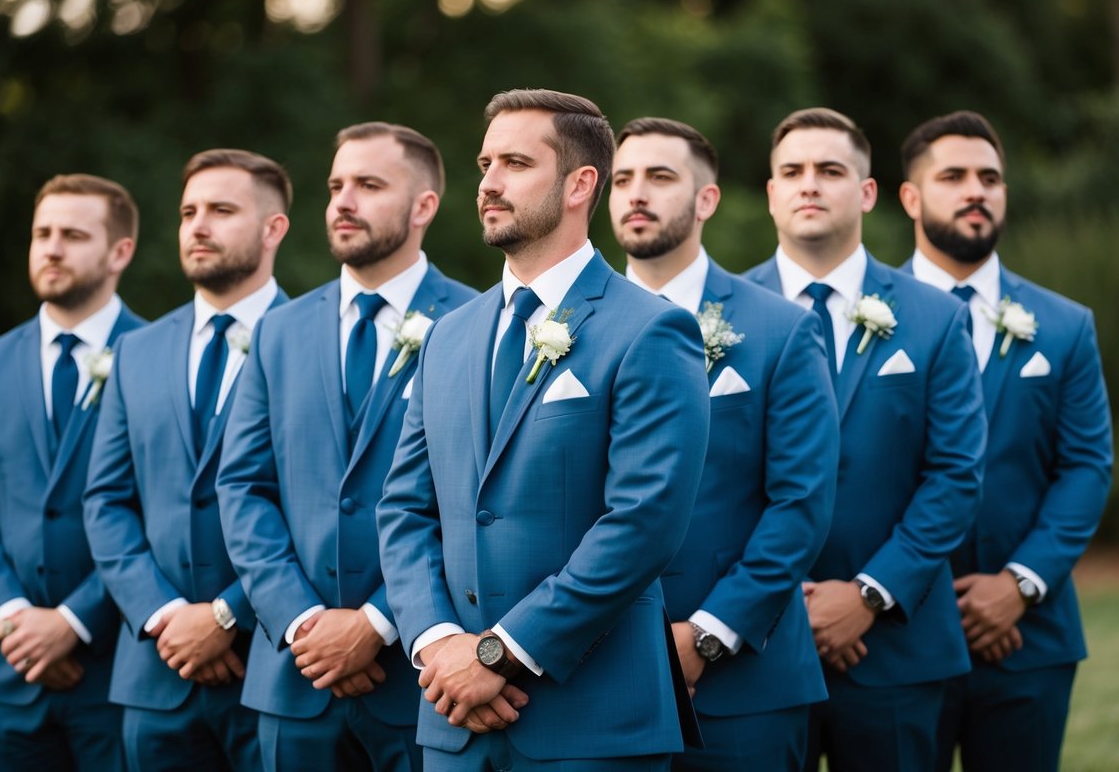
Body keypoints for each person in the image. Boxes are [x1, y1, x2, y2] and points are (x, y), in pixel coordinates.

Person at [376, 89, 710, 771]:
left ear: (580, 183)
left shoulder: (650, 329)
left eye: (516, 164)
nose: (490, 184)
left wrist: (503, 652)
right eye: (485, 163)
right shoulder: (446, 336)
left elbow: (643, 522)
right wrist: (438, 642)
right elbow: (405, 508)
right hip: (454, 725)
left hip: (590, 723)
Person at [216, 122, 477, 772]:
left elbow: (476, 498)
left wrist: (376, 624)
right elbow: (243, 488)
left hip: (422, 680)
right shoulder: (278, 332)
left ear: (423, 206)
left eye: (368, 184)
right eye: (336, 185)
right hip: (293, 679)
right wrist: (302, 621)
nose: (343, 201)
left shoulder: (474, 324)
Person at [744, 107, 986, 771]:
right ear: (770, 194)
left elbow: (955, 474)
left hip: (896, 649)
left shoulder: (935, 318)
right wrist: (783, 598)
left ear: (867, 191)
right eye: (791, 172)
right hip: (757, 643)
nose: (808, 185)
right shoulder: (723, 317)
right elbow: (712, 480)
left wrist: (868, 595)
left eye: (829, 170)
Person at [609, 116, 838, 771]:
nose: (636, 194)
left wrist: (707, 634)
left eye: (659, 177)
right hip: (591, 678)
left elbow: (801, 503)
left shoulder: (781, 329)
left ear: (705, 199)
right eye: (622, 179)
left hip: (743, 685)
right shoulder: (566, 327)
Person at [896, 110, 1113, 772]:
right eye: (953, 176)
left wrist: (1019, 585)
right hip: (898, 634)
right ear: (910, 196)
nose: (975, 191)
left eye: (989, 178)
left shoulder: (1064, 325)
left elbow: (1084, 466)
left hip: (1030, 638)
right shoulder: (861, 318)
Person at [82, 149, 291, 770]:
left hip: (273, 668)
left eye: (222, 211)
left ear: (273, 229)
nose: (198, 226)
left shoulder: (311, 342)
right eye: (188, 212)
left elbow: (322, 509)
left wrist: (231, 614)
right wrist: (165, 615)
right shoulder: (136, 351)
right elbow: (106, 500)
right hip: (155, 670)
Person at [0, 173, 143, 771]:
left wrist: (75, 621)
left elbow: (163, 513)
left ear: (119, 251)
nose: (51, 248)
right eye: (42, 233)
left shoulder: (156, 355)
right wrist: (12, 619)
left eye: (73, 235)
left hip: (117, 669)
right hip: (8, 671)